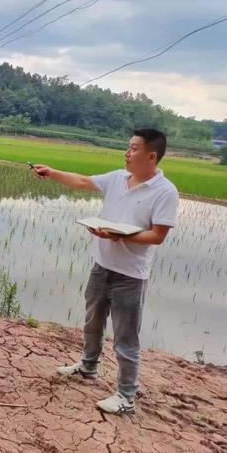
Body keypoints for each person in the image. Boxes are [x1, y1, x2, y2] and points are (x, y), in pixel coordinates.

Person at [32, 128, 179, 415]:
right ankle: (88, 366)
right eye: (128, 147)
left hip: (131, 276)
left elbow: (158, 235)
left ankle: (126, 395)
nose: (127, 153)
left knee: (126, 337)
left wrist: (120, 236)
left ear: (152, 156)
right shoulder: (117, 179)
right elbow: (83, 181)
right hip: (102, 267)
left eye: (133, 148)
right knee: (92, 323)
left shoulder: (165, 191)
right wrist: (51, 172)